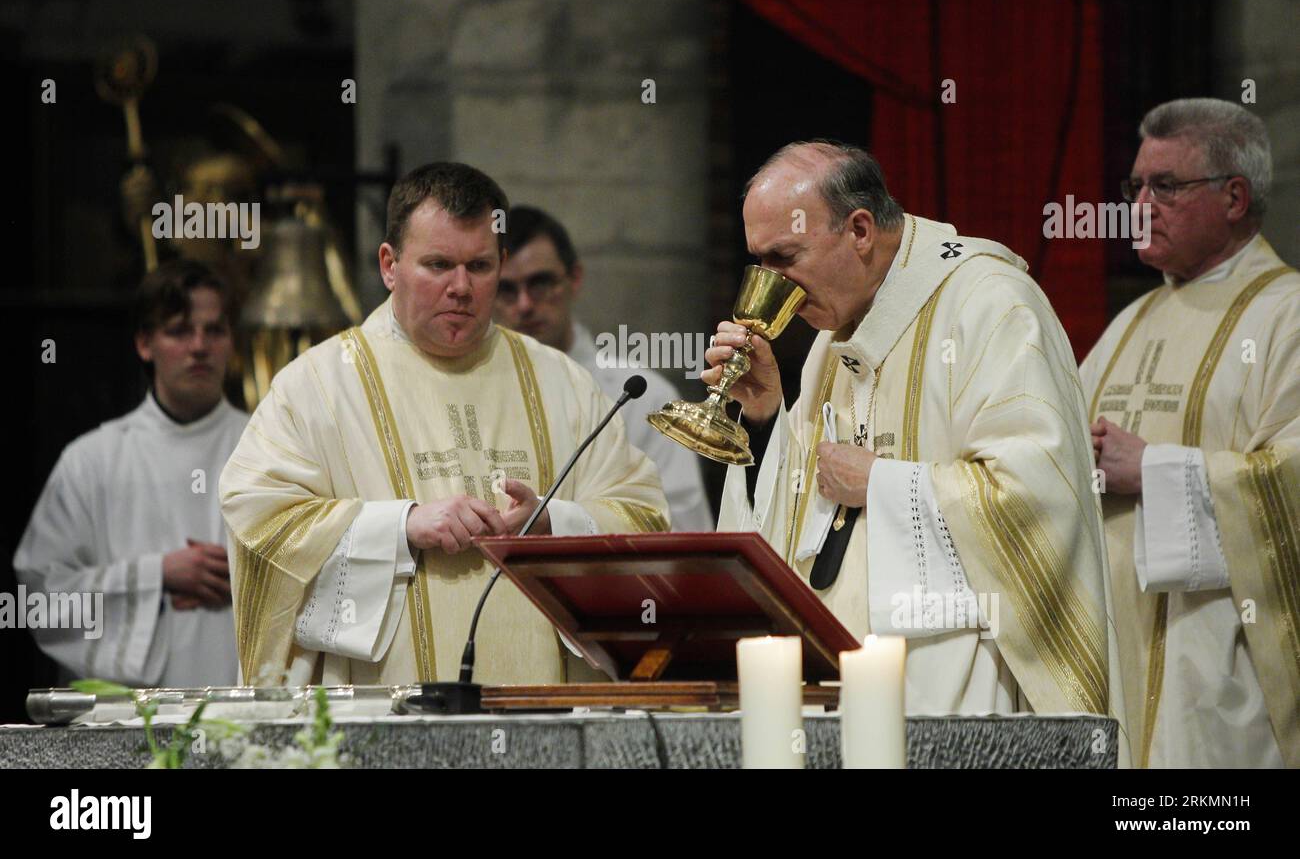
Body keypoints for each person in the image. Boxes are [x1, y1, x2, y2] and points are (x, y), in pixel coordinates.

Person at [713, 141, 1128, 756]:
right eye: (758, 262)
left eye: (784, 258)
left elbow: (1039, 494)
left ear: (859, 230)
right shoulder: (836, 334)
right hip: (838, 680)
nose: (774, 286)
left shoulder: (987, 301)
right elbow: (807, 520)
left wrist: (885, 485)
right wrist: (769, 416)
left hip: (953, 680)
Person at [219, 162, 668, 687]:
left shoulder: (562, 384)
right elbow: (259, 526)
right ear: (390, 265)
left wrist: (554, 524)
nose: (460, 287)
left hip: (546, 711)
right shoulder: (315, 387)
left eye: (478, 266)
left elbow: (645, 519)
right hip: (384, 716)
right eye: (438, 265)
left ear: (501, 262)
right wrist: (402, 527)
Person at [1081, 98, 1299, 768]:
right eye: (1134, 186)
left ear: (1235, 197)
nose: (1140, 204)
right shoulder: (1129, 324)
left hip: (1220, 663)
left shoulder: (1286, 315)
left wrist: (1155, 471)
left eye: (1165, 186)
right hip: (1117, 655)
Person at [14, 259, 244, 687]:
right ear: (144, 343)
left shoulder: (269, 450)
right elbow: (39, 599)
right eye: (178, 330)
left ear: (231, 341)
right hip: (124, 724)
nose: (199, 346)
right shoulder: (91, 460)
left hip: (245, 713)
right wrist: (157, 575)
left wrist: (252, 577)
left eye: (214, 330)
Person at [496, 205, 713, 531]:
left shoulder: (644, 396)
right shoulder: (479, 390)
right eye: (506, 289)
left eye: (540, 283)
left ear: (575, 279)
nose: (525, 304)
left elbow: (683, 529)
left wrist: (561, 522)